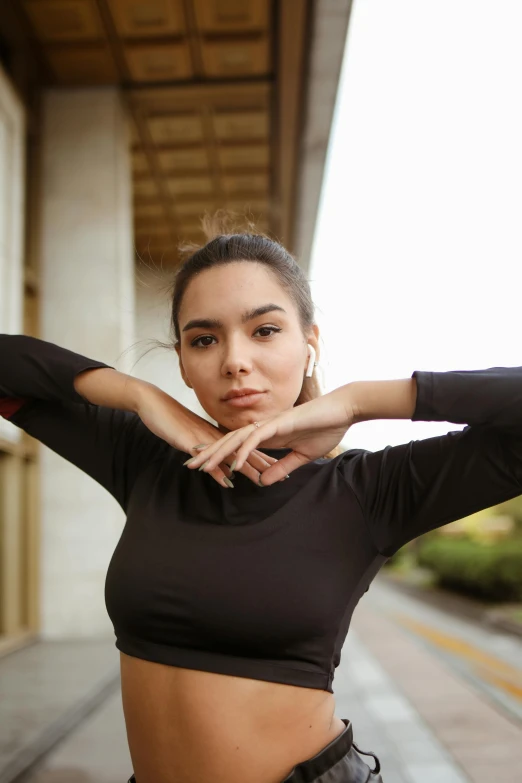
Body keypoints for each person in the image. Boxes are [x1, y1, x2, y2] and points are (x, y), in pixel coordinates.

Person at [1, 222, 522, 783]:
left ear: (309, 346)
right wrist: (137, 394)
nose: (234, 361)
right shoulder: (148, 459)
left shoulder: (369, 490)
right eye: (204, 339)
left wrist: (357, 402)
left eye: (265, 330)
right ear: (182, 362)